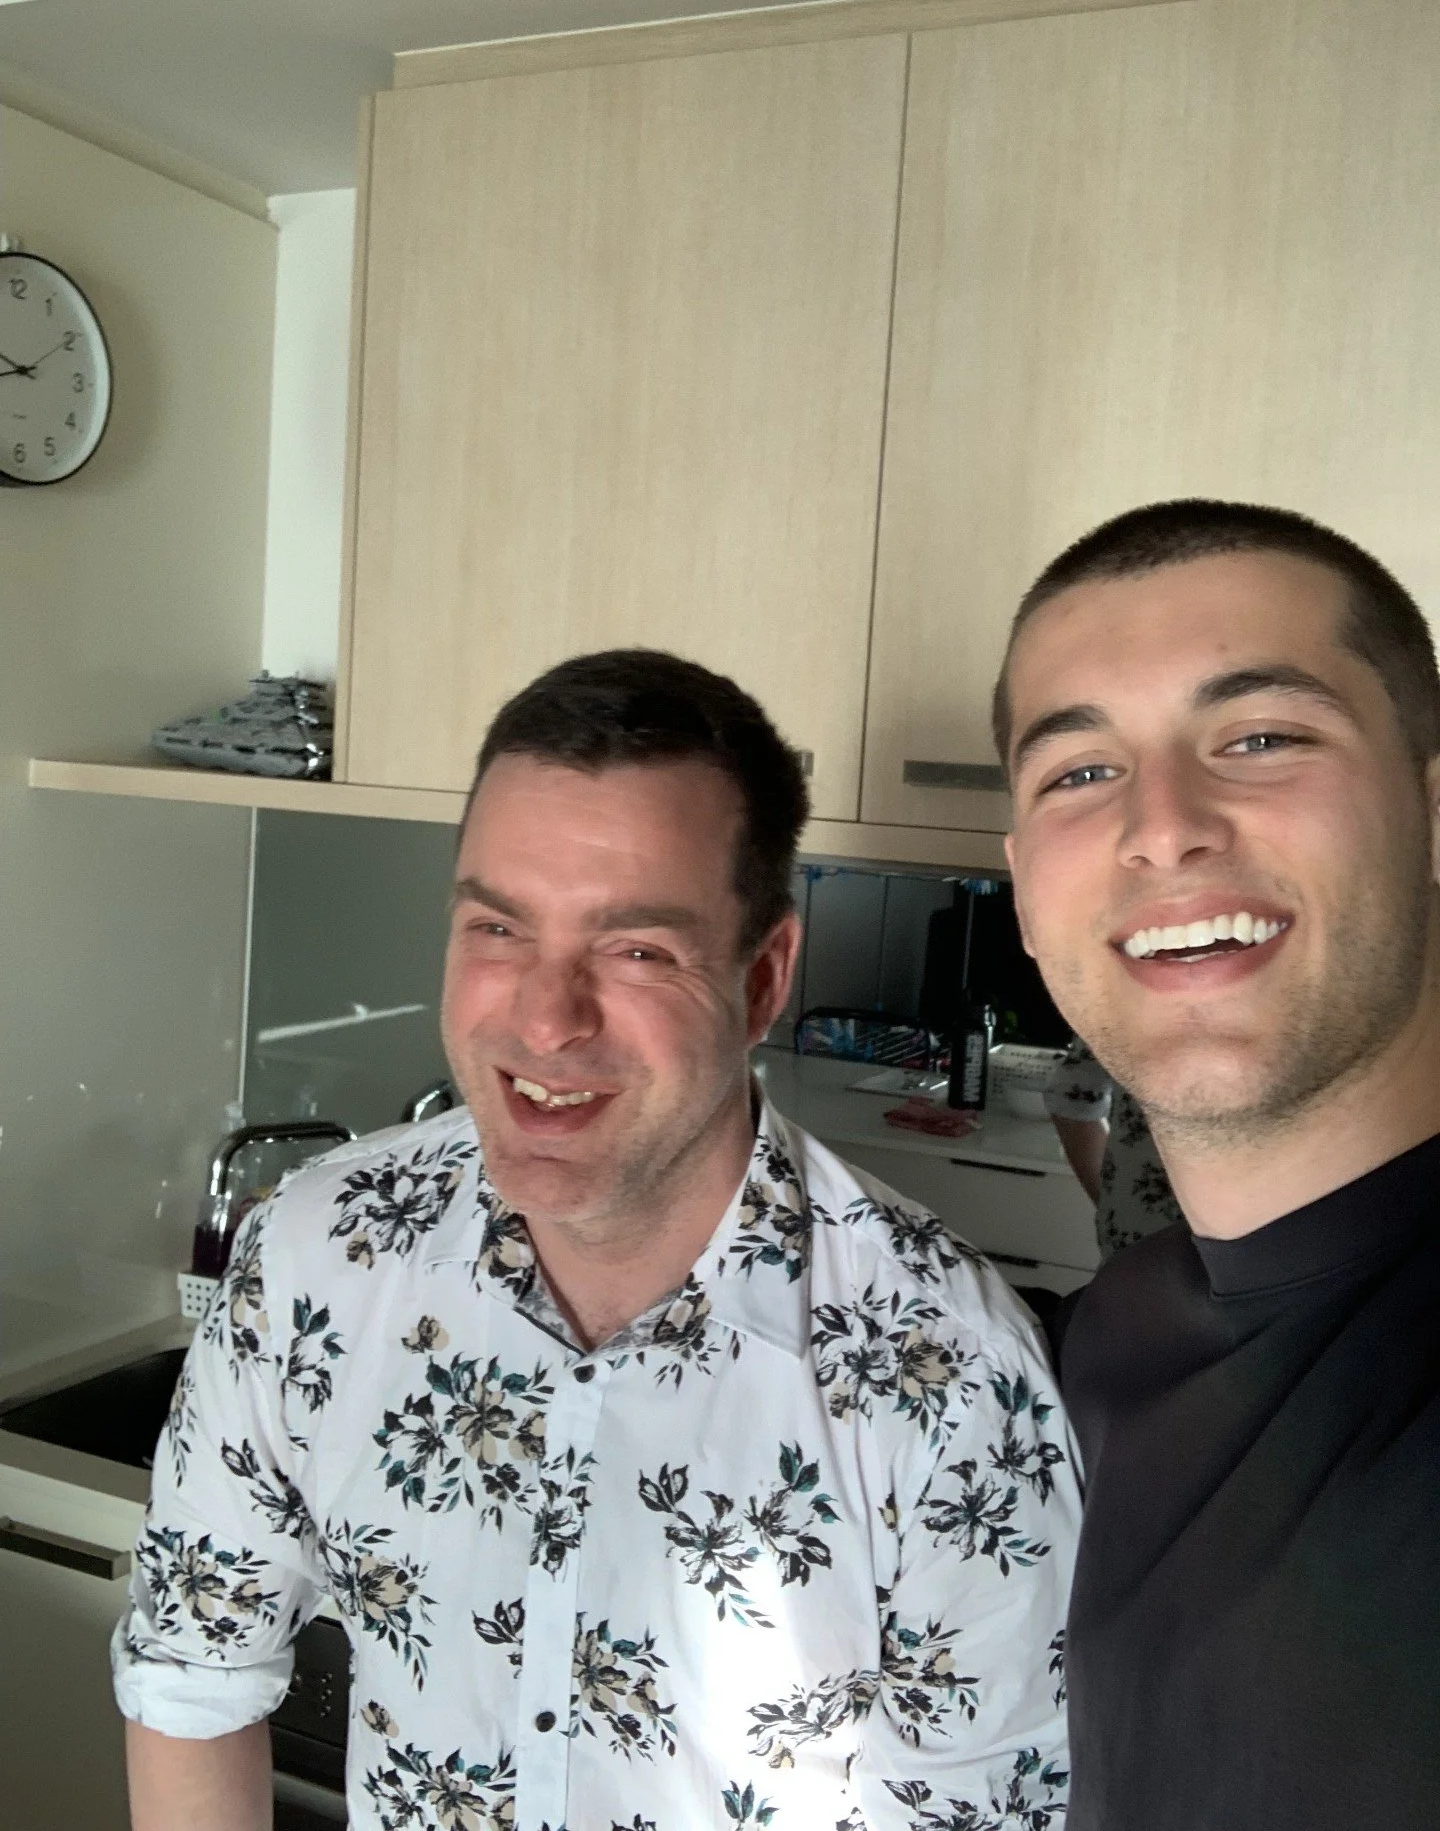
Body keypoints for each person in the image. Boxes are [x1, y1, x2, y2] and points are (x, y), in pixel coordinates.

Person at [115, 649, 1079, 1831]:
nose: (544, 1016)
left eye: (635, 950)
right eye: (499, 929)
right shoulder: (323, 1256)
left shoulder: (951, 1376)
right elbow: (190, 1670)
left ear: (764, 977)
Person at [995, 498, 1440, 1831]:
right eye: (1080, 770)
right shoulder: (1109, 1345)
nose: (1165, 825)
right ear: (1020, 882)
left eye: (1261, 737)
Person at [1043, 1039, 1181, 1258]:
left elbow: (1070, 1093)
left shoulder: (1134, 1005)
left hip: (1139, 1233)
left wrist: (1116, 1201)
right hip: (1245, 1251)